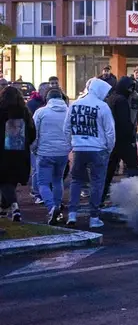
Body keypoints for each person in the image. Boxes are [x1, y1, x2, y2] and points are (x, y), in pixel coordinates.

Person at [67, 78, 115, 227]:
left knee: (76, 181)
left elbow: (66, 129)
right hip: (98, 149)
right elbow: (110, 132)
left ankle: (72, 214)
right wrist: (109, 149)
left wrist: (73, 143)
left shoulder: (74, 105)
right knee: (97, 183)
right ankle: (94, 217)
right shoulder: (103, 106)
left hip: (79, 149)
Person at [33, 88, 70, 225]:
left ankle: (51, 207)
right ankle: (57, 206)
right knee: (57, 180)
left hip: (44, 152)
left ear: (47, 99)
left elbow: (34, 133)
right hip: (62, 152)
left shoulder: (41, 112)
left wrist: (34, 149)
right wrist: (68, 147)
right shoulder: (68, 111)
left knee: (42, 183)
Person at [0, 85, 36, 222]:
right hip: (20, 153)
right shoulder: (25, 112)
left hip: (3, 153)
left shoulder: (1, 111)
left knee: (4, 180)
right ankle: (3, 209)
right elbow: (33, 133)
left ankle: (14, 207)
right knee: (10, 181)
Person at [102, 76, 138, 203]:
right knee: (133, 166)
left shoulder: (111, 98)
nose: (131, 90)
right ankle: (134, 195)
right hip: (123, 140)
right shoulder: (122, 100)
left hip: (112, 139)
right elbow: (125, 122)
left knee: (109, 169)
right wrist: (131, 138)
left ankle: (100, 197)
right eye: (129, 87)